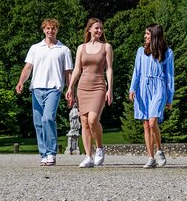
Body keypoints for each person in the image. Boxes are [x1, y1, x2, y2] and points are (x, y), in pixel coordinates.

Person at [15, 18, 74, 166]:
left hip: (54, 88)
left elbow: (68, 72)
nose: (50, 31)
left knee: (48, 118)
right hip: (36, 88)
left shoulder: (64, 50)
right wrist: (21, 82)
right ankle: (44, 153)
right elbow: (28, 67)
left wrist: (70, 89)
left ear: (57, 30)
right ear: (43, 30)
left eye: (53, 28)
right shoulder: (35, 48)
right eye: (47, 28)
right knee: (38, 122)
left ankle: (51, 152)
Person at [65, 18, 114, 168]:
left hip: (99, 86)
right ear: (89, 30)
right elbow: (77, 69)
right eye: (96, 28)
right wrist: (70, 87)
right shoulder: (81, 47)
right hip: (83, 86)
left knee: (93, 120)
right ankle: (88, 156)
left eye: (101, 28)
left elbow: (109, 69)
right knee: (84, 122)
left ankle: (99, 147)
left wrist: (110, 89)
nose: (99, 31)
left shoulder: (106, 47)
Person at [129, 24, 175, 169]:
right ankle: (150, 157)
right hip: (143, 87)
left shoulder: (168, 53)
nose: (145, 36)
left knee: (152, 122)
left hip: (158, 87)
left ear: (155, 35)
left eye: (147, 34)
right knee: (146, 124)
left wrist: (169, 97)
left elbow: (170, 77)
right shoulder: (141, 51)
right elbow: (136, 71)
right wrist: (132, 88)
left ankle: (159, 150)